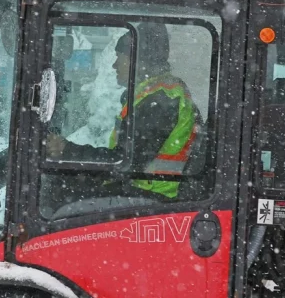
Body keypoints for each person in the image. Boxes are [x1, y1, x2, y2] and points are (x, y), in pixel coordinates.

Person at [46, 22, 202, 200]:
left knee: (62, 196)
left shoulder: (160, 101)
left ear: (138, 60)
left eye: (119, 57)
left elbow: (125, 162)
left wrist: (68, 150)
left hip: (154, 198)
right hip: (141, 191)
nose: (114, 65)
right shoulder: (154, 94)